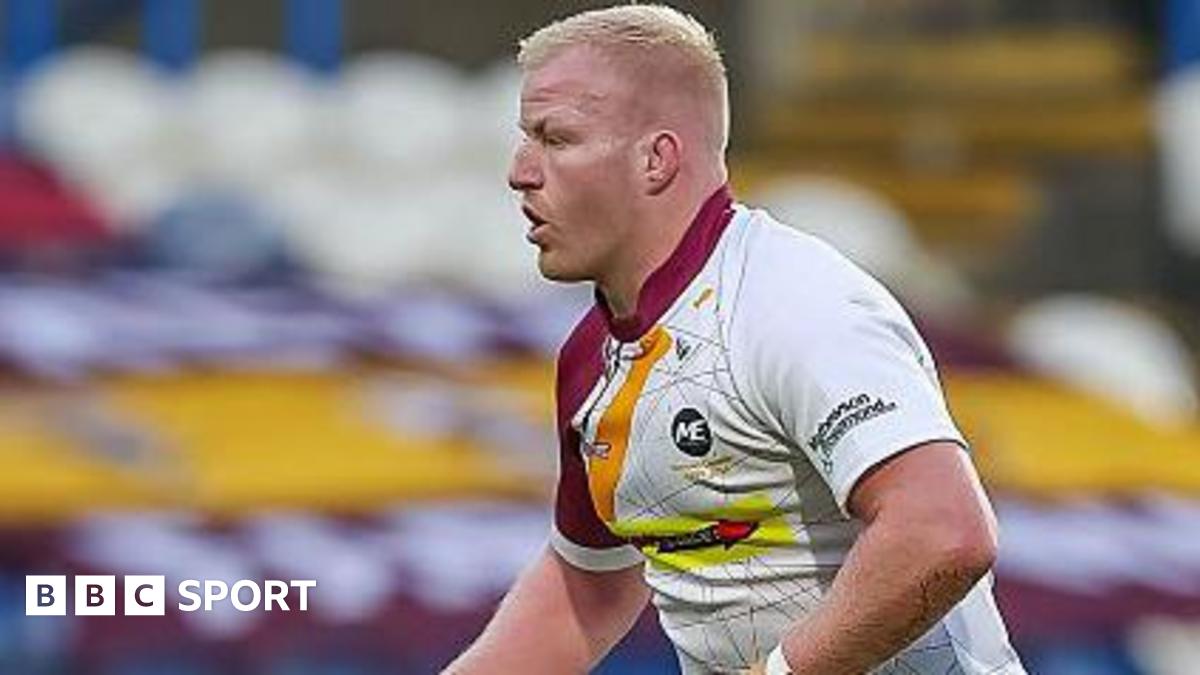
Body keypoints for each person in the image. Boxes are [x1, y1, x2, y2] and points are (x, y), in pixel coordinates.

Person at [446, 5, 1026, 674]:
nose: (520, 170)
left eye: (557, 138)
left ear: (656, 159)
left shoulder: (795, 303)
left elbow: (942, 532)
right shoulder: (592, 356)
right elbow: (589, 584)